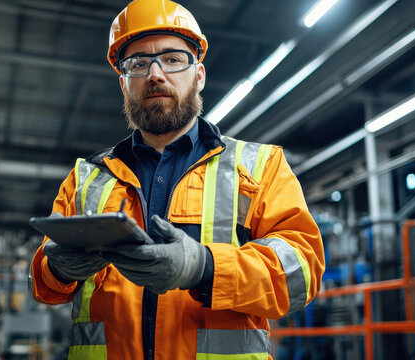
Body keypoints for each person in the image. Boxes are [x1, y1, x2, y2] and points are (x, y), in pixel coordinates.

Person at [29, 0, 325, 359]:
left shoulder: (261, 167)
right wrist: (56, 268)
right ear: (123, 83)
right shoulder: (85, 179)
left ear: (198, 74)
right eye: (138, 63)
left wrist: (204, 267)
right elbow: (45, 287)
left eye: (172, 59)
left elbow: (303, 272)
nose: (155, 74)